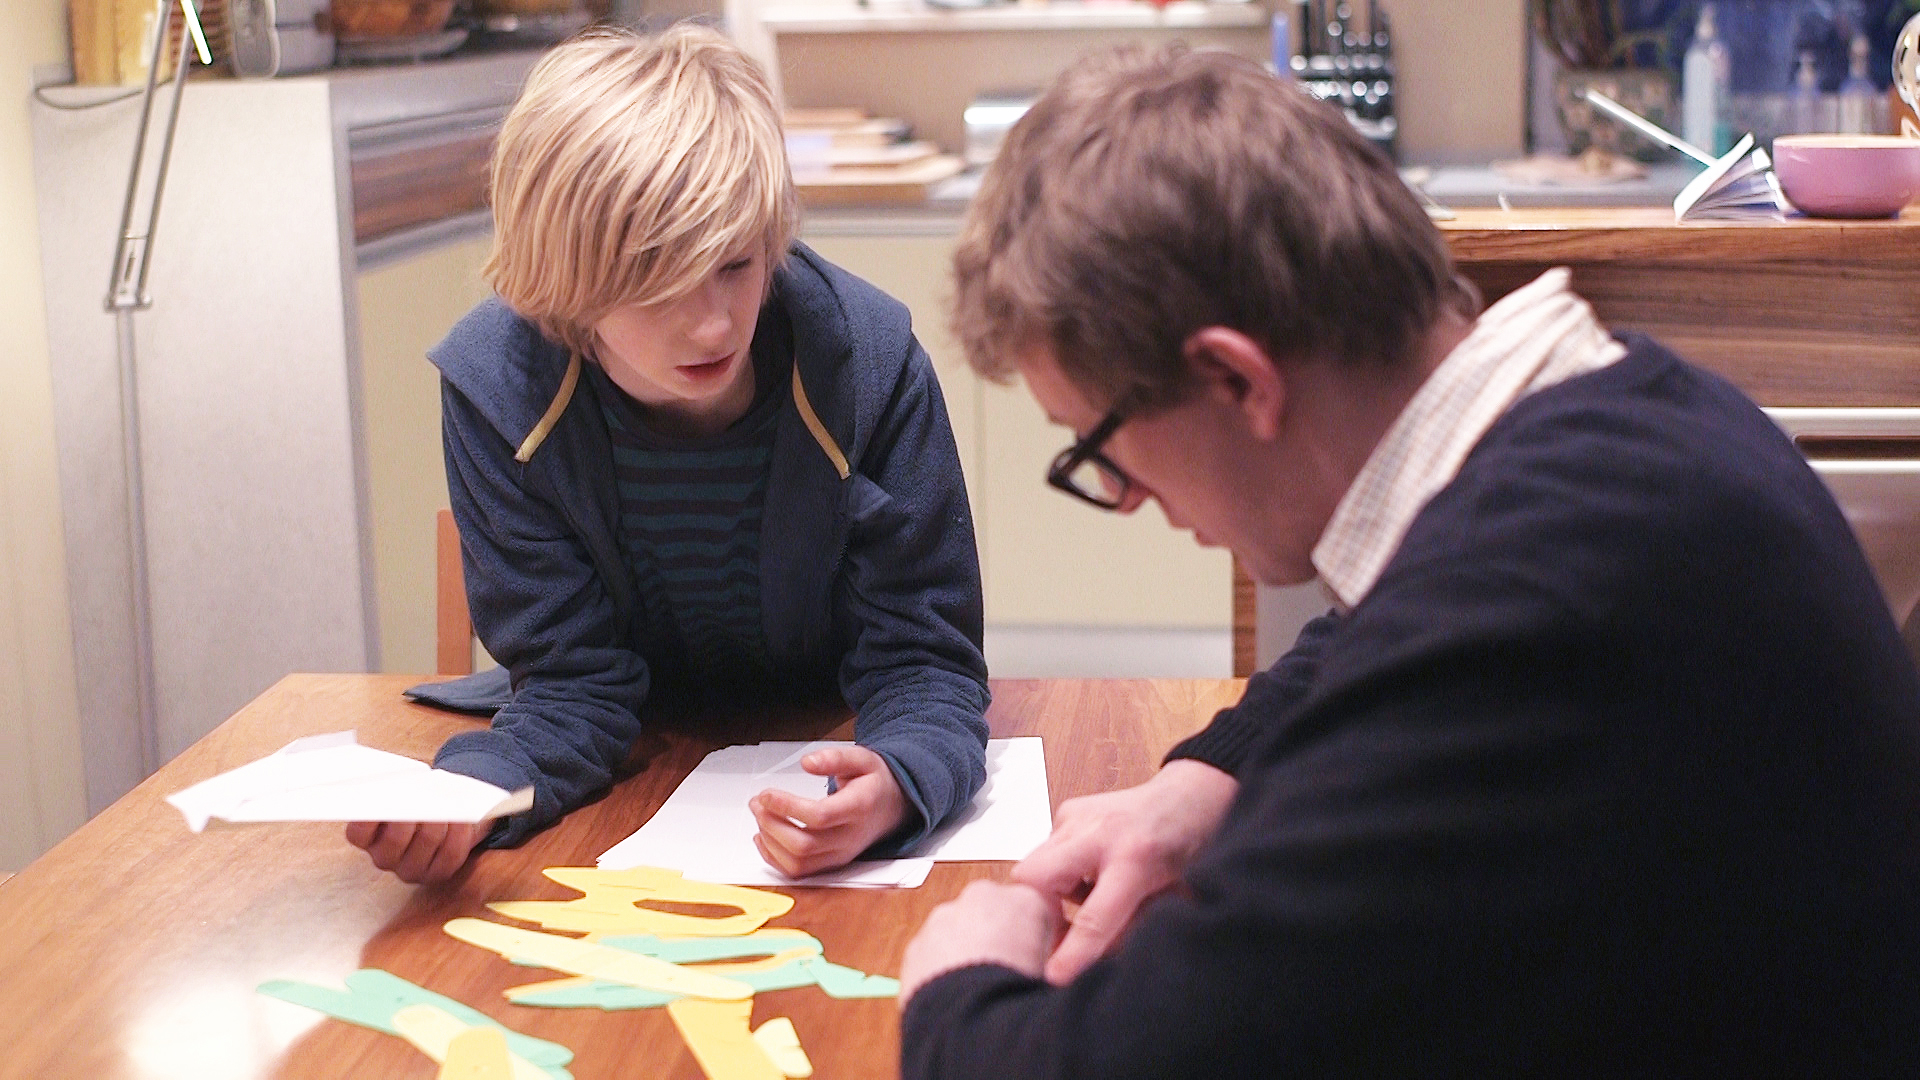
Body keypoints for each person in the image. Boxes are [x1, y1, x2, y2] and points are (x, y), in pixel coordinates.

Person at [897, 44, 1920, 1075]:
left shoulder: (1522, 625)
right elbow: (1381, 628)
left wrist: (958, 987)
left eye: (1101, 446)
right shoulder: (1627, 421)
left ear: (1236, 379)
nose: (1124, 499)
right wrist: (1210, 778)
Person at [346, 26, 989, 885]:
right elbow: (567, 686)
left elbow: (925, 660)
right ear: (566, 278)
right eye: (657, 286)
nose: (715, 325)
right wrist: (475, 795)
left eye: (736, 265)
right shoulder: (497, 391)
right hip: (627, 779)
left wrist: (901, 781)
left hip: (832, 742)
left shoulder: (869, 366)